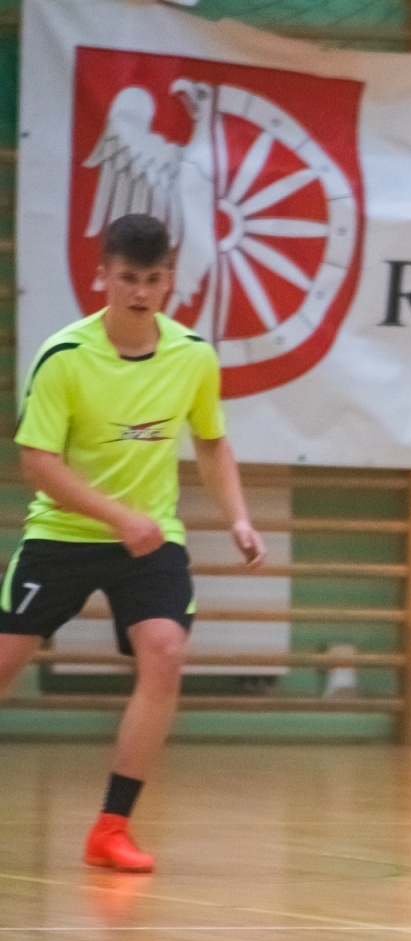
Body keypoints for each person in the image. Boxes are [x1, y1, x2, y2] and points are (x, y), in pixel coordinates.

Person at [0, 213, 265, 873]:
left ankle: (111, 828)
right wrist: (118, 516)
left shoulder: (192, 356)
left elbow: (210, 439)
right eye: (128, 278)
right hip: (64, 532)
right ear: (102, 276)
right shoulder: (65, 356)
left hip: (152, 538)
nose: (141, 293)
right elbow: (38, 462)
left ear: (170, 279)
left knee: (165, 651)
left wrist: (238, 516)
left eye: (153, 280)